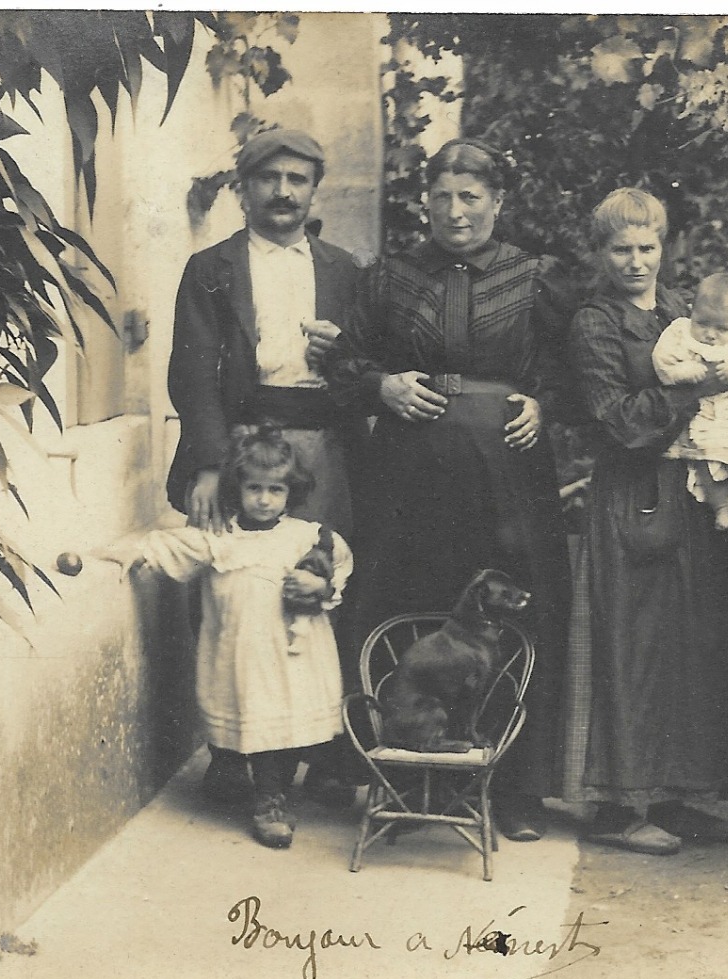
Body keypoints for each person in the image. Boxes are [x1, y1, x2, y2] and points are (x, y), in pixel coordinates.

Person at [324, 138, 575, 843]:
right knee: (408, 605)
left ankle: (518, 790)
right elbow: (346, 358)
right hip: (409, 471)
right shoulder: (392, 279)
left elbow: (573, 364)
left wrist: (543, 403)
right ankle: (403, 780)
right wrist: (382, 383)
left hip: (507, 470)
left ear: (497, 202)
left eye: (470, 197)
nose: (455, 211)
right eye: (442, 196)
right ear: (423, 202)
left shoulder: (534, 278)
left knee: (517, 610)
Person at [164, 127, 365, 804]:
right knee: (230, 595)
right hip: (240, 442)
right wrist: (209, 465)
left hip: (322, 445)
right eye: (269, 178)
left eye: (297, 180)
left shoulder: (343, 271)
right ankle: (230, 749)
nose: (283, 192)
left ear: (314, 190)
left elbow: (367, 370)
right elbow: (192, 374)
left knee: (317, 582)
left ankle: (322, 750)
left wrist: (342, 355)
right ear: (244, 188)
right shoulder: (212, 267)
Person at [565, 188, 728, 855]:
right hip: (633, 492)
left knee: (686, 645)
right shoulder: (595, 321)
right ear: (599, 253)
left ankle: (678, 798)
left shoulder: (684, 308)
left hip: (693, 490)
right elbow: (615, 417)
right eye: (621, 248)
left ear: (663, 246)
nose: (636, 260)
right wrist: (688, 391)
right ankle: (615, 806)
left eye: (647, 246)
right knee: (631, 641)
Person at [133, 431, 353, 849]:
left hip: (293, 655)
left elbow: (338, 567)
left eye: (276, 490)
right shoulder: (219, 537)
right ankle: (238, 775)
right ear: (238, 489)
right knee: (248, 712)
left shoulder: (307, 536)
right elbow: (166, 549)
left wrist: (318, 584)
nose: (265, 500)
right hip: (241, 655)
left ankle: (273, 798)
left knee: (283, 722)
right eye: (255, 488)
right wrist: (125, 553)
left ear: (292, 491)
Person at [651, 273, 728, 530]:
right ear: (690, 312)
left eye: (722, 329)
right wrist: (681, 372)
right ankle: (720, 507)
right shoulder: (678, 333)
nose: (710, 335)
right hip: (704, 415)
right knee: (702, 458)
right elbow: (661, 361)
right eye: (702, 323)